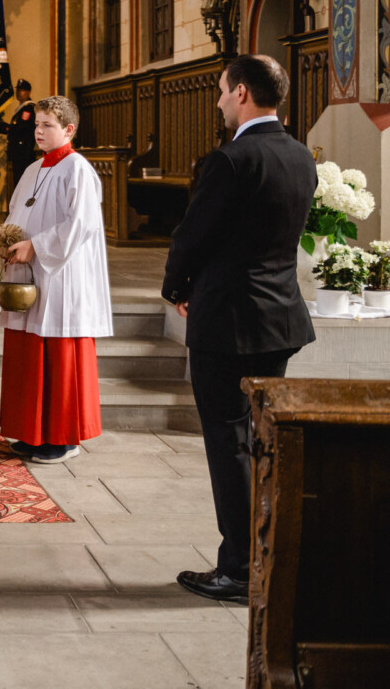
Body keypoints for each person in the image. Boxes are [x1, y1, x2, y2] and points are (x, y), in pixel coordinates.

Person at [162, 54, 316, 604]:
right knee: (261, 442)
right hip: (278, 320)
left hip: (227, 322)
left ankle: (239, 570)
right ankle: (268, 559)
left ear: (243, 93)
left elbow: (193, 235)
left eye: (223, 91)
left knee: (229, 444)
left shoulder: (231, 160)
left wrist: (177, 288)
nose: (219, 100)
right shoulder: (300, 155)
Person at [0, 96, 113, 465]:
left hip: (63, 277)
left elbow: (81, 225)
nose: (39, 131)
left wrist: (36, 246)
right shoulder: (33, 169)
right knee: (31, 354)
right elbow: (17, 212)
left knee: (57, 355)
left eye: (48, 125)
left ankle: (63, 438)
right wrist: (9, 241)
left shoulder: (78, 169)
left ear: (69, 129)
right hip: (31, 274)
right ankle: (33, 433)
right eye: (37, 125)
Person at [0, 79, 37, 190]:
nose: (19, 93)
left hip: (24, 154)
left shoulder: (28, 108)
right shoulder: (21, 109)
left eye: (22, 90)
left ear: (28, 92)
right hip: (18, 153)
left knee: (23, 185)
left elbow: (20, 128)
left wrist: (0, 124)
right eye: (18, 90)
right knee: (18, 184)